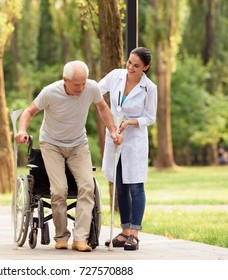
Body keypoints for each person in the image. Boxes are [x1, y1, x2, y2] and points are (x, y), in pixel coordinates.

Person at [15, 60, 123, 252]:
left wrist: (113, 131)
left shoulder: (91, 88)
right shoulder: (50, 92)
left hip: (78, 144)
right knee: (59, 190)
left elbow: (103, 108)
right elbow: (30, 111)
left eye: (84, 83)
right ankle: (61, 236)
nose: (81, 88)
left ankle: (80, 238)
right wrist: (22, 130)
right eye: (76, 84)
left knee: (88, 186)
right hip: (51, 144)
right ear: (65, 80)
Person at [98, 47, 157, 250]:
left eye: (136, 66)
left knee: (135, 186)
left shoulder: (149, 88)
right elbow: (96, 90)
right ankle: (124, 233)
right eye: (129, 62)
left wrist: (130, 122)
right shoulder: (116, 76)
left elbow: (150, 117)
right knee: (120, 186)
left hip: (134, 142)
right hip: (115, 137)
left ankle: (135, 234)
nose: (130, 68)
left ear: (146, 68)